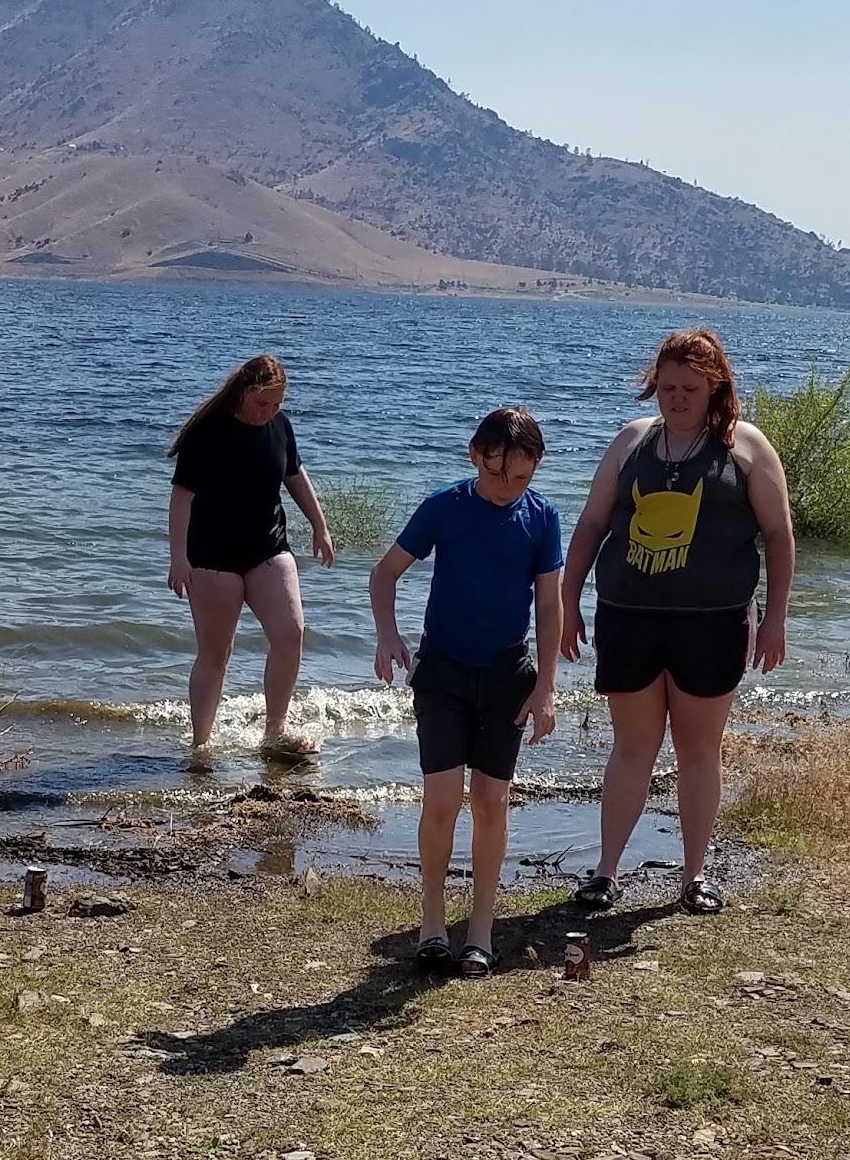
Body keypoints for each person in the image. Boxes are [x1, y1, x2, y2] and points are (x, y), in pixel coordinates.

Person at [559, 328, 793, 913]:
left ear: (716, 387)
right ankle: (606, 872)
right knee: (632, 747)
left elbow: (779, 536)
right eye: (667, 388)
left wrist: (775, 619)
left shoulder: (747, 447)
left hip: (713, 625)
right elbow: (591, 524)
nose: (677, 399)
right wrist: (567, 602)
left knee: (698, 749)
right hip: (629, 620)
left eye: (690, 388)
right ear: (653, 386)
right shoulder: (632, 441)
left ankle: (694, 876)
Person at [370, 406, 563, 978]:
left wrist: (546, 686)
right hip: (444, 673)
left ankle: (480, 929)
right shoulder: (444, 506)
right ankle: (432, 924)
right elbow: (384, 574)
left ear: (537, 467)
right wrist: (388, 636)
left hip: (508, 676)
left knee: (491, 802)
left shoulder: (542, 518)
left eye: (521, 477)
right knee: (442, 800)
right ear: (474, 454)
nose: (507, 487)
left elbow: (550, 607)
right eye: (496, 473)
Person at [166, 354, 335, 764]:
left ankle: (275, 731)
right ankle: (201, 747)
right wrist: (178, 558)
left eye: (277, 404)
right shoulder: (208, 431)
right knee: (216, 654)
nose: (269, 412)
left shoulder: (280, 425)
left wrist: (320, 525)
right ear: (244, 393)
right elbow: (182, 497)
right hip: (212, 556)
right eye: (263, 403)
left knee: (290, 632)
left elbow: (295, 475)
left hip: (268, 547)